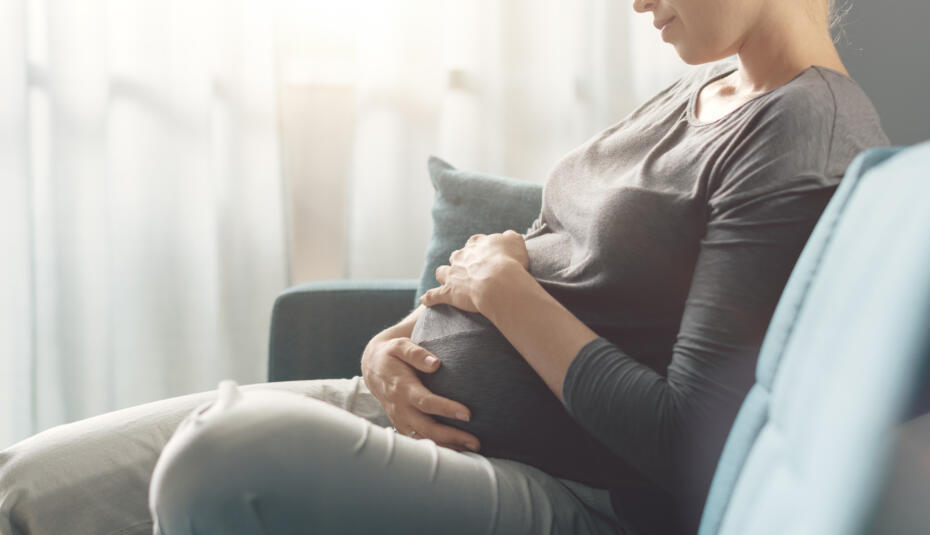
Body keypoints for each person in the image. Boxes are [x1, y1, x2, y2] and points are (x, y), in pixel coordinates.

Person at [0, 0, 888, 534]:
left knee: (219, 459)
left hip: (571, 490)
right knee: (26, 486)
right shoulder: (702, 85)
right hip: (409, 417)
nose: (635, 1)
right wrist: (387, 348)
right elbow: (544, 249)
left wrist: (503, 293)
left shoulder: (804, 133)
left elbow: (689, 443)